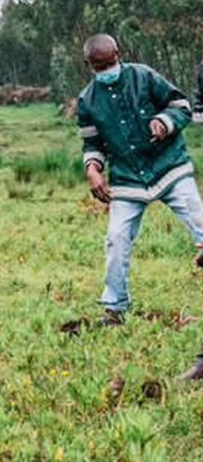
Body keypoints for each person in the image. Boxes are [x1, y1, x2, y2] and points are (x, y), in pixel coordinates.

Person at [77, 34, 202, 327]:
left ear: (118, 54)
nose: (107, 71)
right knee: (117, 239)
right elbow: (91, 143)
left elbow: (181, 105)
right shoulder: (87, 100)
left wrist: (165, 122)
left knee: (200, 222)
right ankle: (114, 308)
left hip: (169, 166)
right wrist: (92, 169)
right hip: (128, 179)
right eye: (99, 66)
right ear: (89, 65)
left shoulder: (144, 76)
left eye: (110, 63)